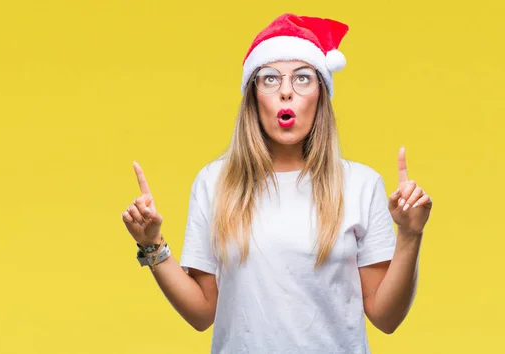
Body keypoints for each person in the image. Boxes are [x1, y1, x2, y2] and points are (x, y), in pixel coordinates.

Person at [121, 13, 433, 354]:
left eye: (302, 78)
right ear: (254, 97)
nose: (286, 92)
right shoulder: (214, 183)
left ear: (321, 94)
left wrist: (410, 235)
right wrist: (152, 245)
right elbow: (201, 313)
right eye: (270, 79)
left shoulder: (360, 184)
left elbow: (386, 318)